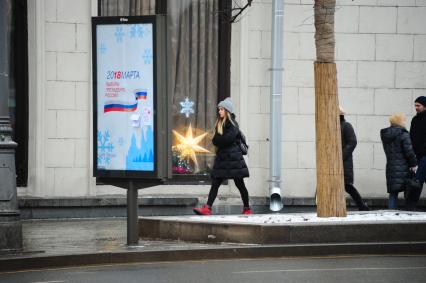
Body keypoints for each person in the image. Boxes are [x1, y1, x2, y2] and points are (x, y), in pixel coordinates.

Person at [193, 98, 252, 215]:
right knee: (215, 182)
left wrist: (219, 139)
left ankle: (247, 208)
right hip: (223, 159)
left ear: (227, 111)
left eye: (221, 109)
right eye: (219, 109)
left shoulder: (233, 124)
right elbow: (215, 140)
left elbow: (226, 139)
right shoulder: (220, 124)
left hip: (233, 159)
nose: (219, 111)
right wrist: (220, 140)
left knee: (240, 184)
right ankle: (207, 208)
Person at [380, 113, 417, 209]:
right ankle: (409, 211)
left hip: (391, 167)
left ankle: (390, 213)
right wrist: (414, 165)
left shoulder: (385, 134)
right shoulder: (403, 134)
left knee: (393, 193)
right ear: (400, 121)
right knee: (409, 190)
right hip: (404, 167)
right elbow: (409, 152)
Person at [340, 107, 369, 211]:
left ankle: (361, 205)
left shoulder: (346, 126)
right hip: (335, 162)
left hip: (344, 161)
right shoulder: (332, 126)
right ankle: (361, 206)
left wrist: (341, 156)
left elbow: (352, 142)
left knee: (347, 185)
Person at [409, 96, 426, 209]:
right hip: (417, 158)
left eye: (418, 105)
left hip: (425, 157)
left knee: (417, 181)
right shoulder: (415, 120)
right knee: (416, 185)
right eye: (415, 105)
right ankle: (410, 208)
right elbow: (411, 137)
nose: (416, 108)